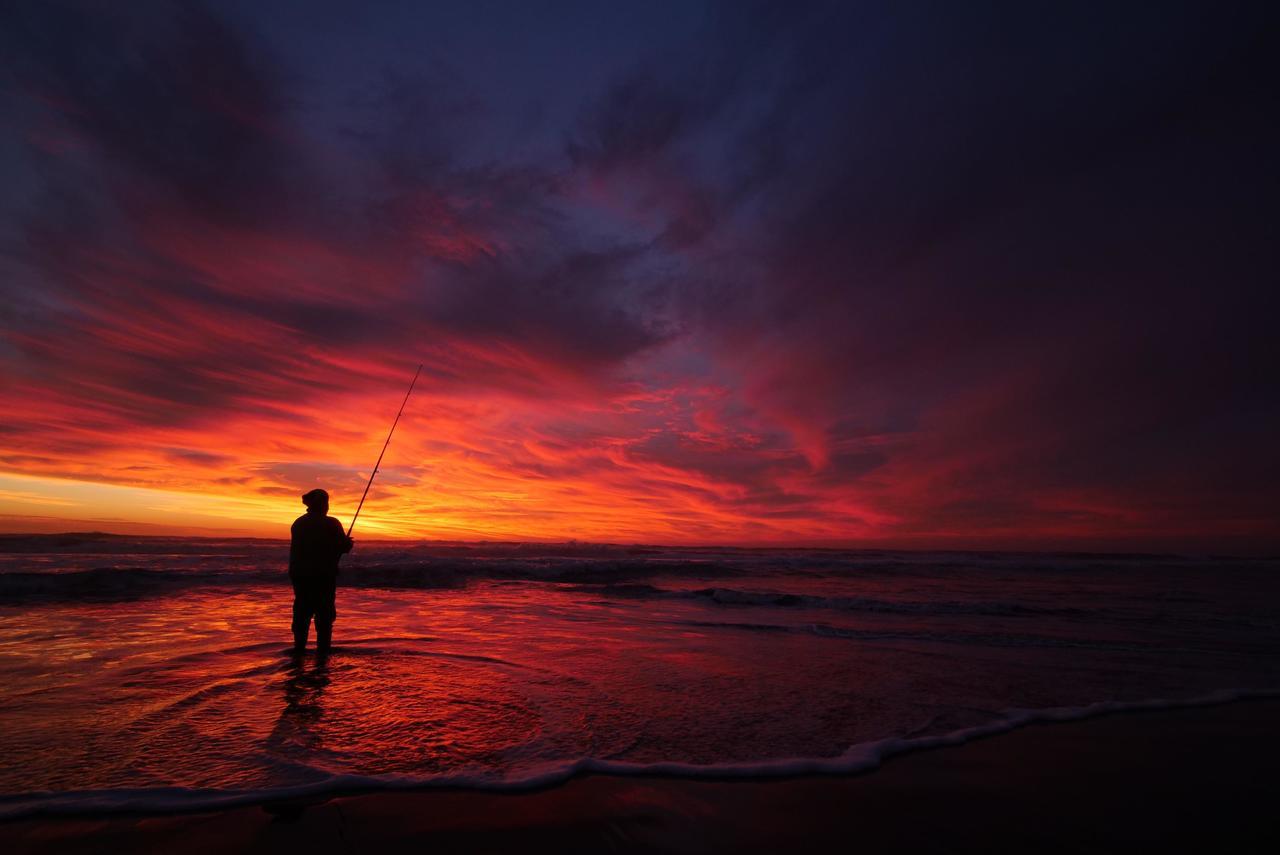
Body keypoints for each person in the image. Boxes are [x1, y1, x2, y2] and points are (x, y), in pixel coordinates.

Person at [289, 489, 353, 658]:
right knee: (324, 618)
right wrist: (347, 543)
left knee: (302, 614)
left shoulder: (298, 523)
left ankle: (299, 651)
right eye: (325, 502)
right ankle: (322, 655)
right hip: (324, 577)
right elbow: (343, 547)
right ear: (323, 504)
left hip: (300, 576)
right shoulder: (331, 523)